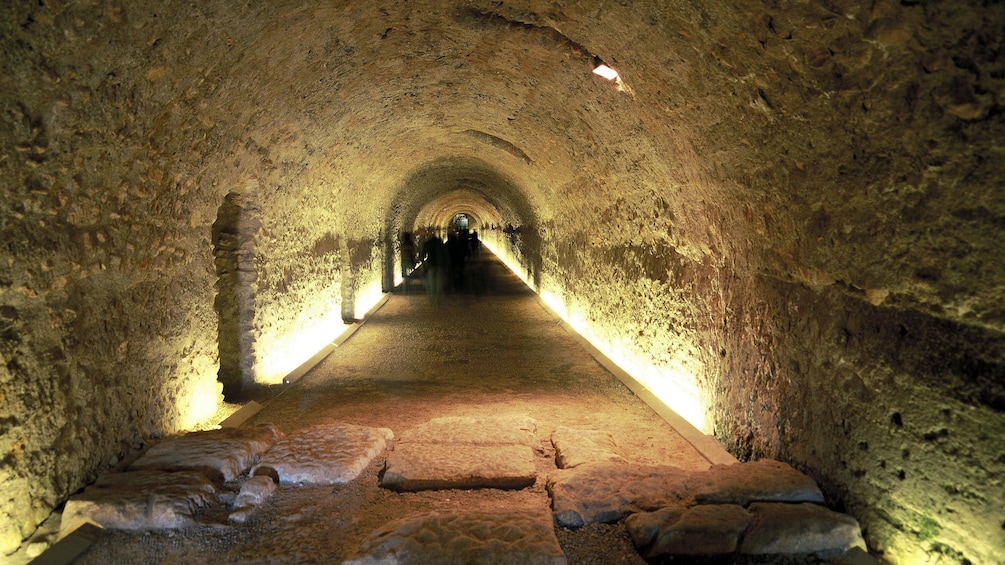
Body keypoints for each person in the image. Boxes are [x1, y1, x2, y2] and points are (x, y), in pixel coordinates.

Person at [420, 233, 447, 303]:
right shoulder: (440, 243)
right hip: (439, 264)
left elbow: (423, 254)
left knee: (431, 281)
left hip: (430, 264)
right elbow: (444, 254)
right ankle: (438, 297)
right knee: (439, 281)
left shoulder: (428, 243)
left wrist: (423, 263)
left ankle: (431, 297)